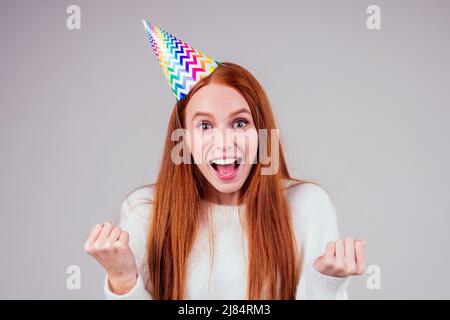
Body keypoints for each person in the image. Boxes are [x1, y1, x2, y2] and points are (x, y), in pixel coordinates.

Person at [84, 21, 366, 300]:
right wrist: (122, 282)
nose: (223, 142)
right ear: (183, 138)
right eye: (205, 126)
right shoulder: (145, 211)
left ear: (261, 132)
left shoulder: (307, 207)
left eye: (240, 123)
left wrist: (325, 283)